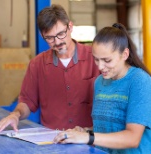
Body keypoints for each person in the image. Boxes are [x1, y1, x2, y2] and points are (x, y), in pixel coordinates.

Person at [0, 4, 99, 132]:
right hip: (52, 143)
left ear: (70, 27)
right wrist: (15, 114)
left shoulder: (95, 58)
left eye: (61, 34)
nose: (57, 42)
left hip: (90, 140)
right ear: (42, 36)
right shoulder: (37, 64)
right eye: (50, 38)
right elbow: (27, 101)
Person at [54, 23, 151, 154]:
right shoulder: (99, 82)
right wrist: (86, 131)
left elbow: (132, 138)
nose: (100, 67)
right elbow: (107, 128)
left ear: (125, 54)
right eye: (96, 60)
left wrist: (88, 137)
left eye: (107, 60)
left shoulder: (140, 81)